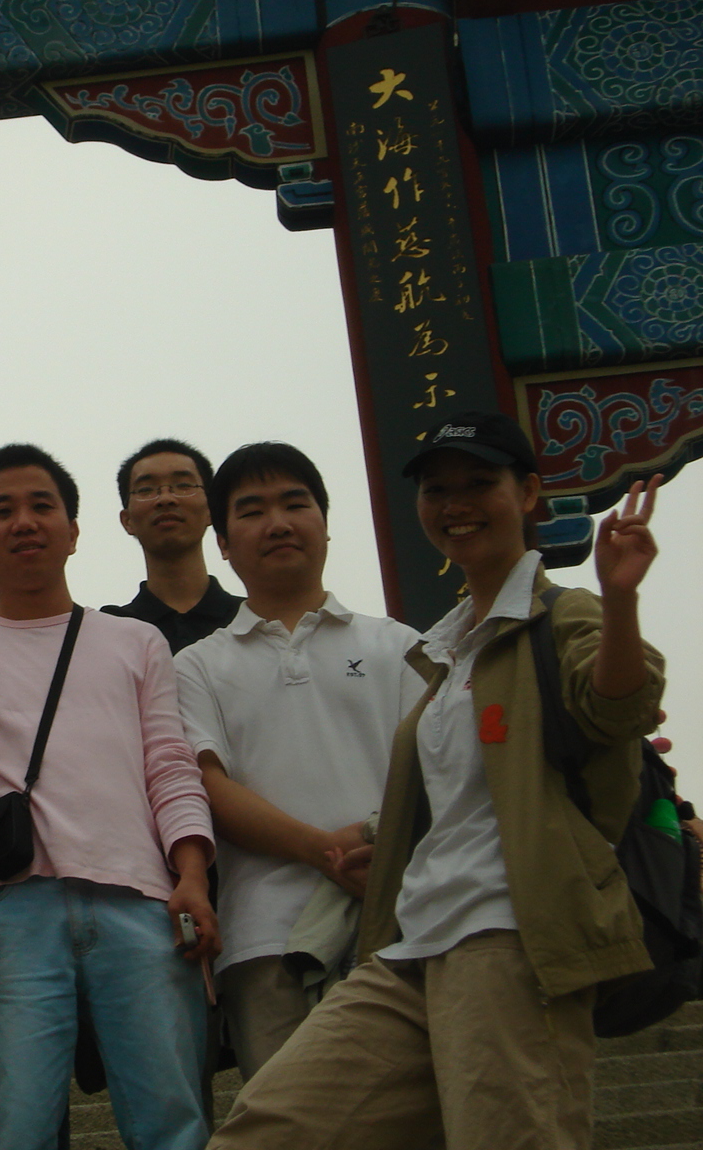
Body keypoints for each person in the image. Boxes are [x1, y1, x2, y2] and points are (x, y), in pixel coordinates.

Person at [208, 412, 665, 1150]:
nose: (456, 505)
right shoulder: (441, 650)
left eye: (479, 484)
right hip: (409, 944)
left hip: (509, 934)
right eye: (437, 491)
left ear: (529, 494)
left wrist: (620, 600)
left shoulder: (561, 615)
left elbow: (619, 706)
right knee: (270, 1128)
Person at [0, 443, 218, 1150]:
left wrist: (193, 873)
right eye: (3, 510)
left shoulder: (137, 642)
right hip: (12, 916)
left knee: (172, 1127)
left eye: (42, 506)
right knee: (15, 1132)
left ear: (74, 531)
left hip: (143, 906)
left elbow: (170, 766)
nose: (24, 522)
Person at [173, 442, 422, 1079]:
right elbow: (208, 786)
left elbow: (436, 771)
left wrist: (380, 849)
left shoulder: (400, 647)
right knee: (288, 1120)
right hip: (267, 942)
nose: (278, 523)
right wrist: (324, 850)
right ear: (222, 543)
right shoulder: (196, 666)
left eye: (295, 503)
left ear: (326, 524)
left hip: (402, 922)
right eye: (252, 511)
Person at [104, 439, 242, 651]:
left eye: (184, 486)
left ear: (211, 511)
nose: (165, 499)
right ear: (127, 520)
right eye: (146, 489)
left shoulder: (253, 621)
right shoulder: (109, 631)